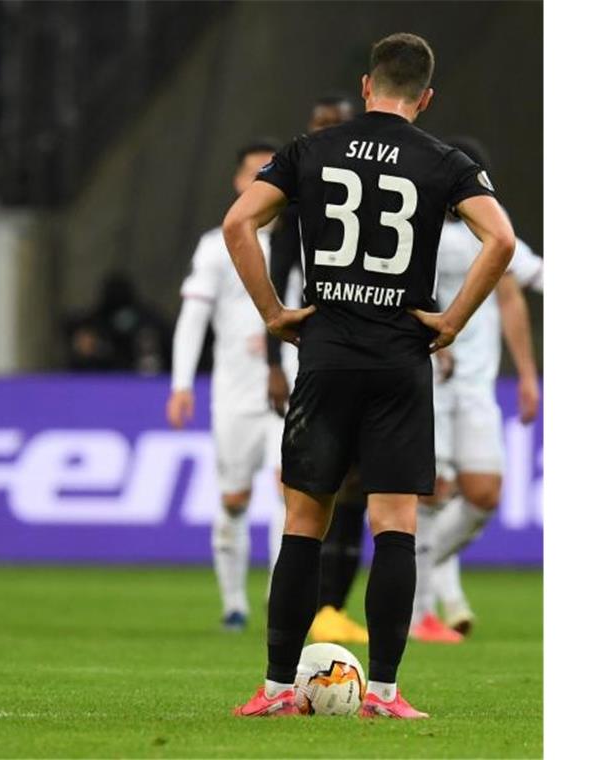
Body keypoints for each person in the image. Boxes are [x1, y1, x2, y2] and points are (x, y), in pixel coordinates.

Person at [222, 33, 515, 718]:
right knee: (395, 524)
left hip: (325, 351)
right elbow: (500, 239)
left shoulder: (310, 150)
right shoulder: (445, 162)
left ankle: (275, 691)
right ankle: (384, 691)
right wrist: (451, 322)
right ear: (427, 96)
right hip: (399, 359)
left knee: (303, 521)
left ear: (366, 86)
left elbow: (239, 223)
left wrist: (272, 312)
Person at [410, 137, 543, 640]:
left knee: (484, 494)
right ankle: (420, 613)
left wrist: (527, 373)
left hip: (477, 384)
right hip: (426, 378)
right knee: (432, 490)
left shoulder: (490, 227)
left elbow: (514, 293)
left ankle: (427, 572)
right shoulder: (415, 224)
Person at [265, 94, 370, 646]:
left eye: (332, 126)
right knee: (306, 488)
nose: (322, 133)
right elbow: (278, 276)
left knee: (355, 487)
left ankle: (332, 606)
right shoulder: (296, 199)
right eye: (317, 124)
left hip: (362, 352)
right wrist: (271, 360)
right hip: (310, 350)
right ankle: (301, 606)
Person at [166, 139, 284, 631]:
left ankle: (285, 603)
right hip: (235, 394)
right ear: (239, 182)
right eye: (254, 174)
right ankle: (234, 604)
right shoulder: (218, 245)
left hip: (291, 392)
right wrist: (181, 383)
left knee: (291, 494)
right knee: (234, 499)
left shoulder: (306, 242)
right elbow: (194, 316)